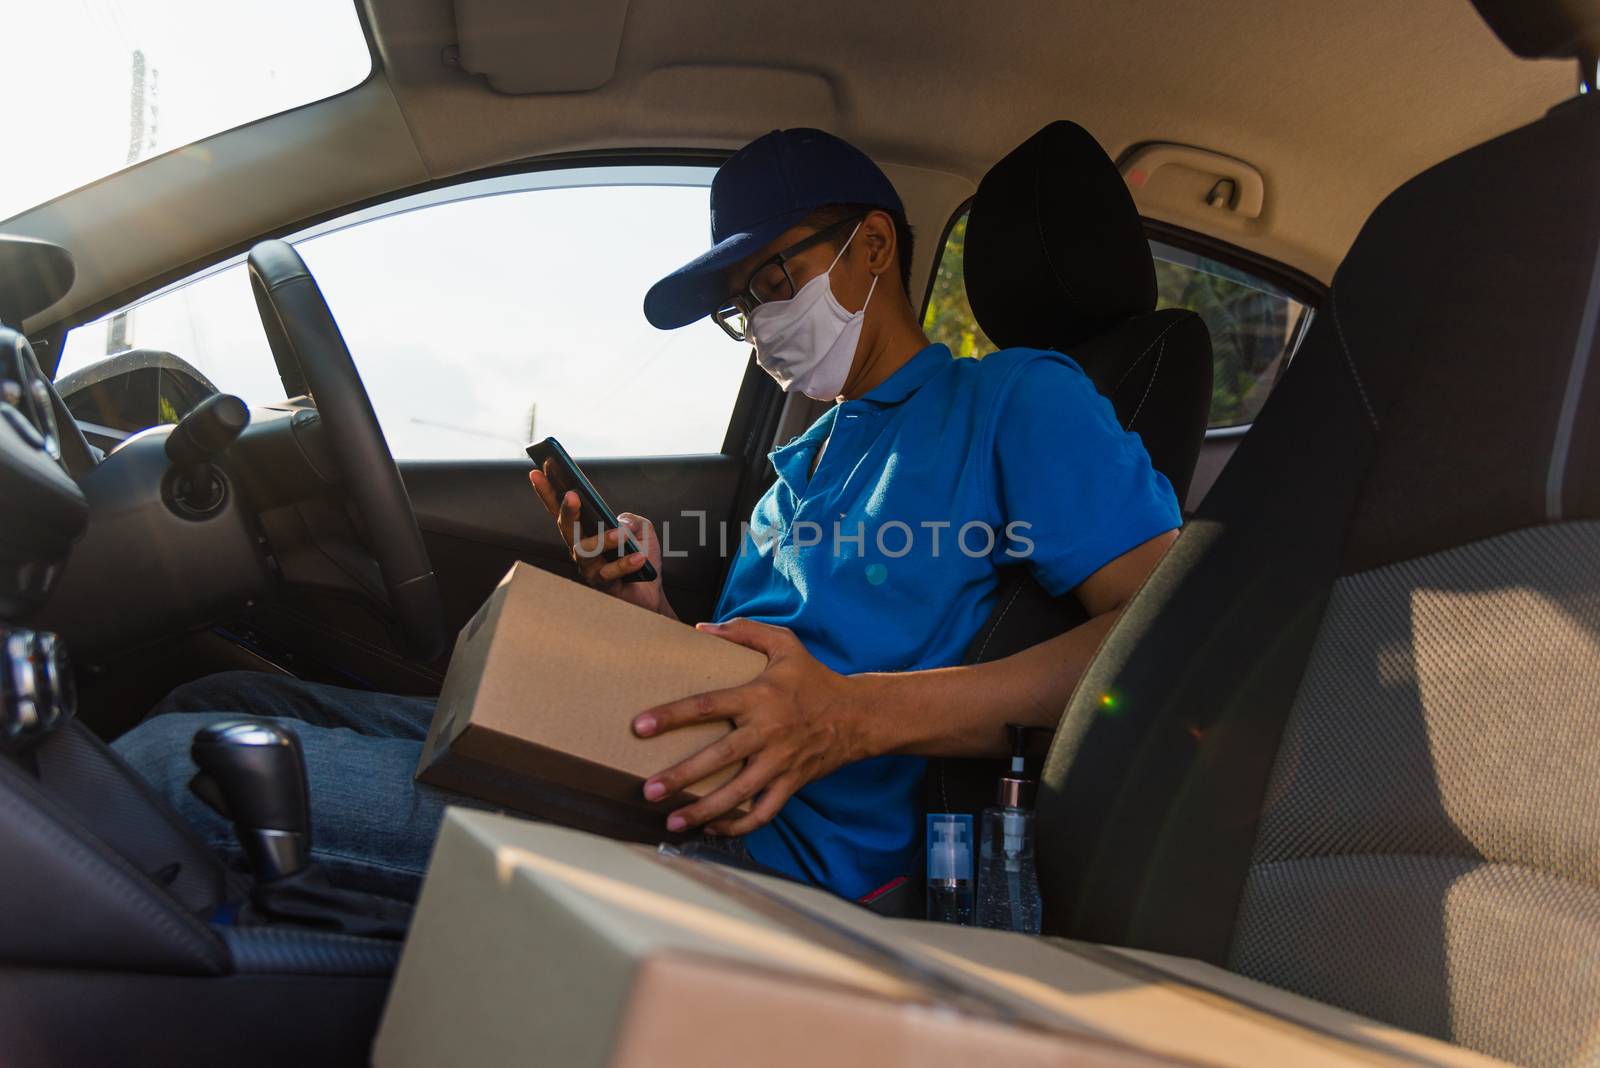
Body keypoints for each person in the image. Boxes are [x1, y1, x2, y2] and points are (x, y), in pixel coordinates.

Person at [114, 128, 1180, 903]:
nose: (761, 318)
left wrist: (854, 716)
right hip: (673, 777)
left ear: (872, 246)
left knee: (181, 763)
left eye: (775, 275)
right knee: (226, 690)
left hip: (773, 863)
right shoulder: (804, 456)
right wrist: (647, 612)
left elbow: (1165, 636)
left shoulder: (1013, 403)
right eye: (742, 304)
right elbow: (756, 678)